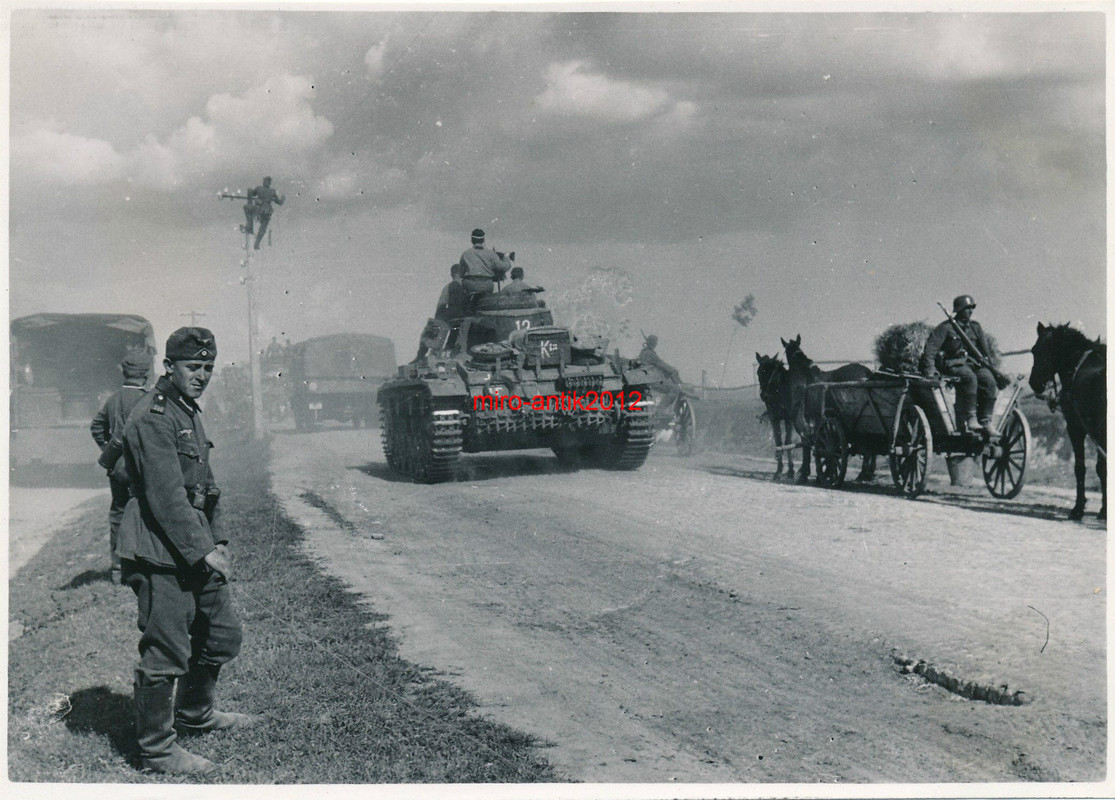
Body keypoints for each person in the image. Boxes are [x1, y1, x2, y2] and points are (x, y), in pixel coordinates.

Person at [118, 328, 258, 774]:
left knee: (221, 634)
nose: (201, 376)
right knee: (166, 649)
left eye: (208, 368)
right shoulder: (152, 416)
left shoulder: (185, 410)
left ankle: (196, 713)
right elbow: (166, 497)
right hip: (160, 547)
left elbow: (206, 485)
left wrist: (218, 539)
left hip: (192, 540)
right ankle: (157, 750)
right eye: (193, 367)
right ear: (169, 367)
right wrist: (203, 551)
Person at [90, 350, 151, 584]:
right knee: (147, 512)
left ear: (124, 373)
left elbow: (96, 426)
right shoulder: (148, 399)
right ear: (145, 375)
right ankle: (144, 566)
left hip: (117, 468)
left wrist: (109, 452)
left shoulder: (113, 399)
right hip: (143, 469)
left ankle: (117, 569)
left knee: (118, 513)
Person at [920, 294, 999, 433]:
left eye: (972, 308)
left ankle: (986, 421)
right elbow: (930, 350)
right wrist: (930, 369)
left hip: (973, 364)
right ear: (959, 309)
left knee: (989, 380)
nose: (970, 311)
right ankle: (971, 419)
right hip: (953, 364)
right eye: (967, 308)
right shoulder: (945, 328)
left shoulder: (976, 327)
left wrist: (990, 366)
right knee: (970, 378)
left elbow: (985, 351)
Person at [458, 228, 512, 295]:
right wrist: (506, 258)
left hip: (470, 286)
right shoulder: (491, 253)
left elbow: (461, 274)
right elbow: (503, 267)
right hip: (486, 285)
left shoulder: (465, 254)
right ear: (483, 240)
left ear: (472, 240)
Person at [241, 176, 285, 251]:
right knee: (263, 228)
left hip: (259, 209)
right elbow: (279, 202)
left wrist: (250, 191)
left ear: (264, 182)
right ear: (270, 183)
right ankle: (257, 243)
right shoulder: (272, 191)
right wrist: (283, 198)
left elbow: (252, 194)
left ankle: (249, 227)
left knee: (247, 209)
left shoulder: (259, 188)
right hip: (267, 211)